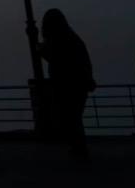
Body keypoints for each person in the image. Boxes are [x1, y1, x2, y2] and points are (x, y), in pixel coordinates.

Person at [40, 9, 94, 161]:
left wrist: (39, 47)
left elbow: (54, 56)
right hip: (76, 84)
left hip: (68, 84)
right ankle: (78, 146)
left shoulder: (63, 39)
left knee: (71, 117)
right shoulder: (72, 38)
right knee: (73, 117)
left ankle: (78, 147)